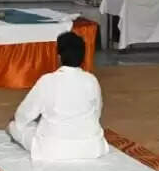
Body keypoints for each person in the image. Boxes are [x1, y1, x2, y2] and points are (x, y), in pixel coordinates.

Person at [7, 31, 109, 162]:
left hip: (52, 149)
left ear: (59, 57)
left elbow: (26, 112)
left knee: (16, 126)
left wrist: (16, 121)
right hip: (91, 148)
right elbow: (97, 112)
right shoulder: (91, 80)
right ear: (83, 57)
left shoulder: (47, 80)